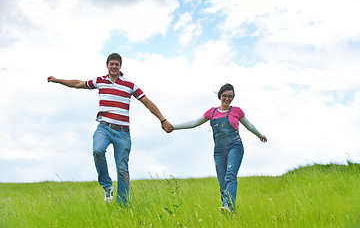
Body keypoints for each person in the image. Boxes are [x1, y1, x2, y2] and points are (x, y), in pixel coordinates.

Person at [47, 53, 174, 206]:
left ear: (120, 66)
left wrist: (163, 119)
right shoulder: (99, 81)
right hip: (104, 128)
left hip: (123, 133)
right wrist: (58, 80)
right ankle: (107, 186)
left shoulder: (129, 85)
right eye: (111, 64)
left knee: (122, 170)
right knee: (98, 151)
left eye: (116, 64)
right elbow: (78, 84)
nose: (114, 67)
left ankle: (122, 207)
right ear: (107, 65)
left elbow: (146, 102)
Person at [172, 83, 267, 213]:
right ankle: (228, 213)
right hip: (219, 151)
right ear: (219, 96)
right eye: (225, 96)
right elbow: (194, 123)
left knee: (230, 176)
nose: (227, 99)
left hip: (235, 146)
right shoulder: (212, 112)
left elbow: (248, 124)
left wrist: (259, 135)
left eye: (230, 96)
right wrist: (174, 127)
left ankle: (228, 207)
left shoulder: (236, 111)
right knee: (222, 183)